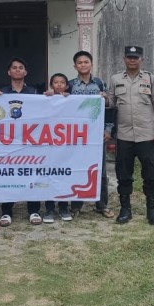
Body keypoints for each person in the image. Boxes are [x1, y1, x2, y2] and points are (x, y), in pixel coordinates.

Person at [107, 45, 154, 225]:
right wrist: (101, 97)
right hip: (124, 136)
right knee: (123, 174)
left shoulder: (149, 79)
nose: (132, 60)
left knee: (151, 174)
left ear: (142, 60)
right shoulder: (116, 79)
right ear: (124, 59)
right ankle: (125, 210)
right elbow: (111, 102)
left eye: (136, 57)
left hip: (146, 135)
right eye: (129, 57)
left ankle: (151, 210)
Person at [0, 57, 40, 226]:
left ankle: (34, 210)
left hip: (29, 141)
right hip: (8, 142)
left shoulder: (34, 93)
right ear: (9, 72)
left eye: (21, 67)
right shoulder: (1, 92)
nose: (17, 70)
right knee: (8, 175)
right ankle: (6, 212)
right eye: (14, 67)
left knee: (31, 174)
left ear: (25, 72)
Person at [66, 50, 114, 219]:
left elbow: (109, 108)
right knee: (77, 168)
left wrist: (108, 130)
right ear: (75, 66)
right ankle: (76, 205)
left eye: (86, 62)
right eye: (80, 63)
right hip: (77, 135)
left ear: (91, 64)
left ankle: (102, 205)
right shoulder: (70, 85)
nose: (83, 65)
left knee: (100, 170)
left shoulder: (100, 84)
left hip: (96, 134)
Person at [42, 73, 71, 223]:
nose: (59, 85)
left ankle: (64, 207)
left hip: (65, 145)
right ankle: (49, 208)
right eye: (55, 82)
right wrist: (47, 97)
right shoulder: (45, 98)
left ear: (66, 86)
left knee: (63, 175)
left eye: (62, 82)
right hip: (48, 144)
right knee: (49, 175)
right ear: (50, 85)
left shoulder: (71, 100)